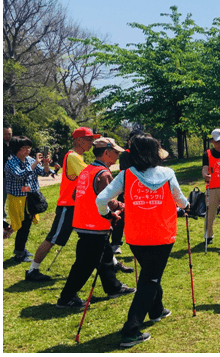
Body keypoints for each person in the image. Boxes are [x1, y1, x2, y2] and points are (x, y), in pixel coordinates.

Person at [96, 134, 189, 348]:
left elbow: (101, 199)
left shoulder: (126, 175)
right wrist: (186, 207)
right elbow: (180, 199)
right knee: (150, 279)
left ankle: (157, 310)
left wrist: (106, 214)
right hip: (162, 234)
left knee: (150, 272)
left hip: (136, 236)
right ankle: (131, 330)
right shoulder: (167, 173)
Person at [56, 137, 135, 306]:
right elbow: (109, 201)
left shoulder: (87, 170)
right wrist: (125, 205)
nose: (117, 157)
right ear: (106, 153)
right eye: (115, 153)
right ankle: (67, 297)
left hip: (83, 222)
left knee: (105, 256)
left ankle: (113, 288)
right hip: (95, 225)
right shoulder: (103, 173)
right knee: (85, 264)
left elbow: (75, 195)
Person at [25, 127, 100, 281]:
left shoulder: (78, 157)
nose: (92, 143)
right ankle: (33, 270)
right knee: (53, 238)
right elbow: (90, 176)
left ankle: (110, 264)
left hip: (77, 206)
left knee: (95, 236)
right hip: (68, 206)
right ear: (79, 141)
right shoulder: (73, 157)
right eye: (89, 139)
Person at [4, 136, 55, 263]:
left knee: (26, 225)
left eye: (29, 147)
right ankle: (19, 253)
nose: (28, 150)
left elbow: (44, 173)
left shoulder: (30, 160)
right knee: (21, 226)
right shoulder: (11, 162)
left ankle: (20, 250)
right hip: (17, 199)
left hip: (30, 197)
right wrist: (36, 163)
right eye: (24, 148)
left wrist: (46, 164)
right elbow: (20, 175)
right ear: (17, 149)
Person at [110, 129, 145, 256]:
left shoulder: (145, 154)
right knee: (120, 217)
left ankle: (142, 241)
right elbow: (129, 171)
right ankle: (115, 243)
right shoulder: (125, 155)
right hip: (126, 190)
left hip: (142, 191)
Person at [3, 121, 14, 236]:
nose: (8, 136)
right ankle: (5, 226)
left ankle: (6, 226)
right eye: (6, 134)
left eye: (10, 134)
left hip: (11, 179)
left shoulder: (13, 145)